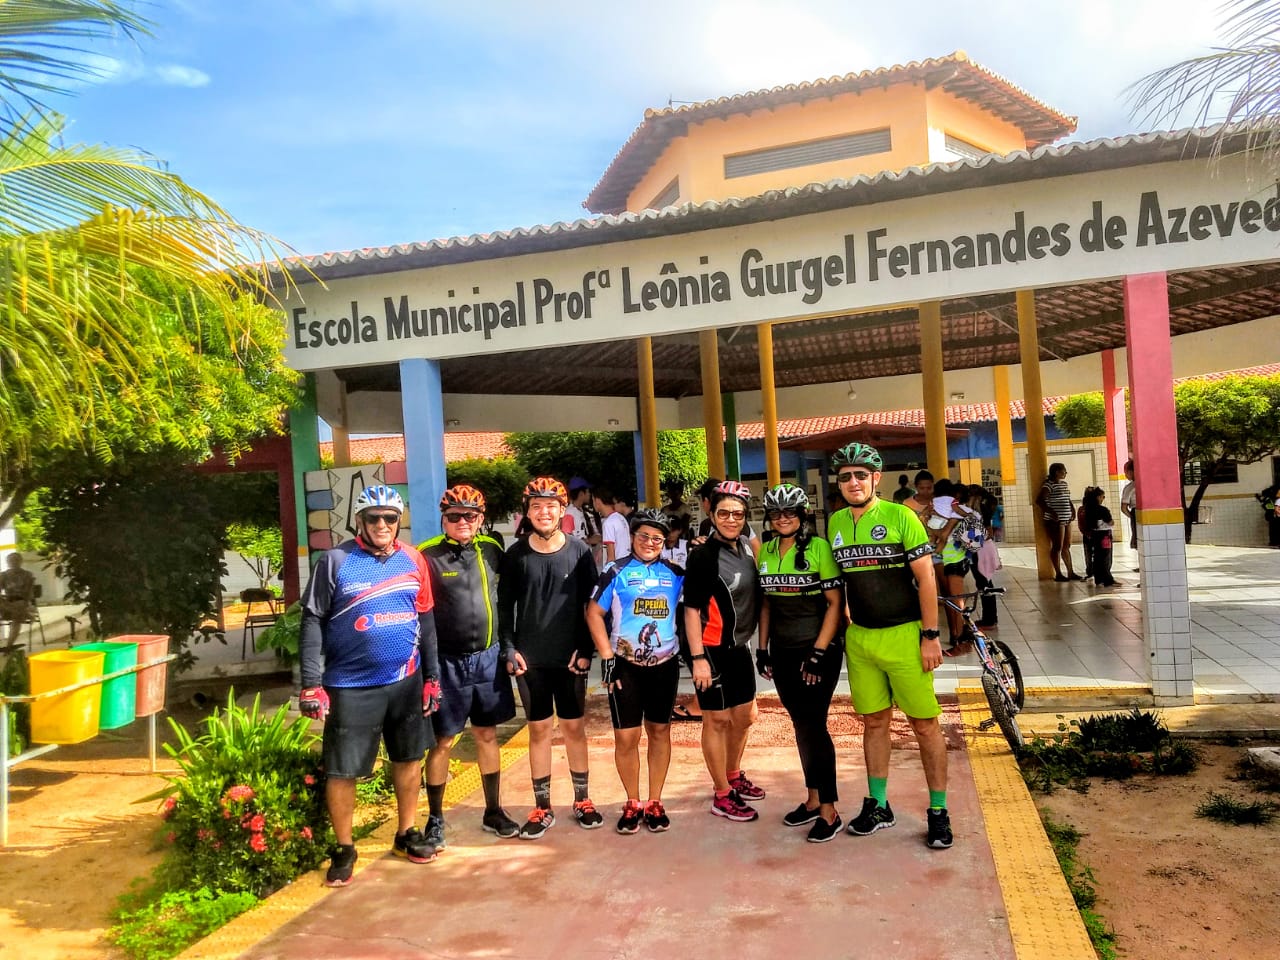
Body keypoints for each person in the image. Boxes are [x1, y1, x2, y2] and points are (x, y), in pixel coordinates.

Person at [298, 485, 441, 887]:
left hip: (405, 680)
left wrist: (432, 678)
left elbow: (426, 620)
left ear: (399, 522)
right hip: (350, 684)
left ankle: (406, 833)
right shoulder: (336, 561)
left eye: (390, 518)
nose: (382, 525)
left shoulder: (413, 559)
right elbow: (312, 621)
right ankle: (344, 847)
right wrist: (312, 683)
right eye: (374, 518)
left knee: (408, 758)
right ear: (359, 521)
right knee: (343, 771)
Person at [825, 443, 953, 850]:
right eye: (845, 476)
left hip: (904, 634)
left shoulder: (901, 517)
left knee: (924, 724)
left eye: (861, 475)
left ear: (876, 478)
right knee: (874, 722)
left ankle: (938, 811)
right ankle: (878, 804)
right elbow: (842, 579)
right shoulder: (836, 523)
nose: (853, 482)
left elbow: (927, 579)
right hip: (861, 639)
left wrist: (930, 635)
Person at [498, 476, 604, 838]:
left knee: (574, 728)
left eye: (551, 506)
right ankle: (542, 807)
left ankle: (582, 800)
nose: (544, 512)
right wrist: (509, 648)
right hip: (531, 660)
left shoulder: (579, 552)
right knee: (539, 730)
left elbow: (592, 605)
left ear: (562, 510)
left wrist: (586, 649)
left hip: (571, 658)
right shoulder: (516, 555)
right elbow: (505, 606)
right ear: (527, 512)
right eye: (536, 506)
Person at [418, 485, 520, 848]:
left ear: (481, 519)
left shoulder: (492, 549)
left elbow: (506, 597)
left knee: (487, 734)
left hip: (488, 660)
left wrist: (509, 648)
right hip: (447, 662)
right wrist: (426, 670)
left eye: (470, 516)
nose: (463, 522)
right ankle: (435, 819)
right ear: (443, 519)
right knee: (444, 740)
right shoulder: (427, 555)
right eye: (454, 516)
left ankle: (493, 810)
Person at [754, 483, 846, 842]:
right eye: (776, 513)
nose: (782, 519)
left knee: (814, 726)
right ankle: (812, 800)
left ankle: (830, 810)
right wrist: (762, 649)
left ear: (803, 515)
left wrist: (819, 652)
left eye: (790, 512)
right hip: (783, 649)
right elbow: (766, 604)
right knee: (801, 725)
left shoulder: (820, 549)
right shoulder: (766, 551)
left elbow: (835, 604)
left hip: (817, 650)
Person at [587, 509, 684, 834]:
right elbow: (593, 613)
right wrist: (606, 655)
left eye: (657, 538)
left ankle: (655, 801)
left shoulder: (675, 572)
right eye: (643, 536)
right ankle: (632, 801)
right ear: (632, 537)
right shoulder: (615, 570)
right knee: (626, 737)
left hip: (664, 666)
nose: (650, 543)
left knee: (659, 732)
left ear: (665, 541)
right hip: (625, 666)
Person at [683, 480, 765, 822]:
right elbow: (690, 610)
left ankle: (733, 774)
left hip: (738, 646)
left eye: (738, 514)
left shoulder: (747, 547)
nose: (731, 519)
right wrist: (698, 659)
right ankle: (721, 794)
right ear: (712, 514)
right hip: (710, 647)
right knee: (716, 720)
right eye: (724, 513)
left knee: (746, 715)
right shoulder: (703, 556)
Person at [1036, 462, 1082, 581]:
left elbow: (1067, 498)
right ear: (1057, 472)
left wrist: (1072, 508)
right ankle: (1058, 573)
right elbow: (1040, 501)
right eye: (1064, 471)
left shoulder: (1064, 484)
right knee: (1058, 546)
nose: (1065, 473)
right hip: (1055, 521)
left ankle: (1071, 572)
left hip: (1066, 518)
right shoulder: (1048, 485)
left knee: (1067, 546)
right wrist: (1051, 512)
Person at [1082, 487, 1119, 586]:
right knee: (1105, 558)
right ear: (1098, 497)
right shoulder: (1102, 510)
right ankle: (1108, 580)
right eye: (1103, 496)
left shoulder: (1088, 509)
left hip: (1095, 535)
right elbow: (1111, 522)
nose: (1103, 498)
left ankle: (1098, 579)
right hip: (1105, 536)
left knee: (1097, 557)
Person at [0, 553, 36, 652]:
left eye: (16, 560)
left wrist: (24, 603)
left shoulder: (28, 575)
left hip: (21, 601)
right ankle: (26, 614)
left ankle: (8, 646)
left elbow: (28, 594)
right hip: (7, 603)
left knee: (17, 613)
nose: (13, 562)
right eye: (10, 560)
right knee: (13, 609)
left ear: (20, 561)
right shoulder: (3, 575)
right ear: (7, 562)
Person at [594, 486, 631, 568]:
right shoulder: (621, 518)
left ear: (597, 501)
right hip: (626, 564)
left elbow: (611, 558)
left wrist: (606, 576)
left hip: (617, 569)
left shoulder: (608, 523)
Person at [1076, 487, 1097, 580]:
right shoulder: (1097, 508)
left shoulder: (1081, 509)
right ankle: (1097, 571)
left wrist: (1086, 533)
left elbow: (1080, 524)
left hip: (1087, 535)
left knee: (1088, 554)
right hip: (1097, 535)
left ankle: (1090, 571)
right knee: (1098, 554)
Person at [1120, 460, 1138, 554]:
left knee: (1137, 537)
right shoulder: (1145, 484)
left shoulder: (1130, 487)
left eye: (1126, 472)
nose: (1126, 475)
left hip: (1135, 511)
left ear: (1131, 471)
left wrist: (1131, 516)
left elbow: (1123, 507)